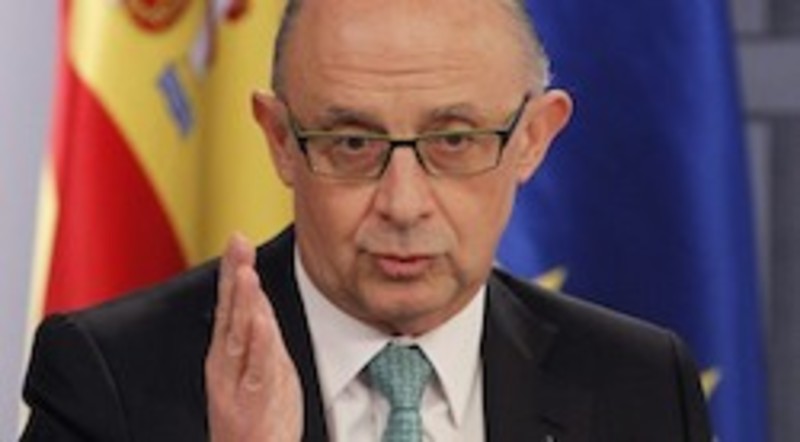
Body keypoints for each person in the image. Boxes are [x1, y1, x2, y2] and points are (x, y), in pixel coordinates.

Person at [21, 0, 712, 440]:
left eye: (453, 141)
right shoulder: (111, 379)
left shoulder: (639, 384)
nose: (403, 204)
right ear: (280, 140)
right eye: (352, 144)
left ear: (533, 138)